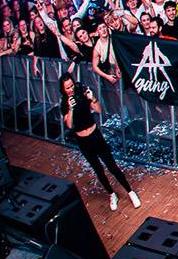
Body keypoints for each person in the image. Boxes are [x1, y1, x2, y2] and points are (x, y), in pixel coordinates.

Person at [59, 74, 141, 211]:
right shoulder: (64, 103)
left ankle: (130, 192)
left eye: (72, 86)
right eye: (67, 88)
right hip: (82, 140)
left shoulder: (81, 92)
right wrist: (70, 108)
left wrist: (93, 98)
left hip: (95, 135)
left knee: (111, 166)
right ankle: (112, 194)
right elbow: (69, 124)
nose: (71, 89)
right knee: (98, 170)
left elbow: (98, 110)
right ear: (63, 90)